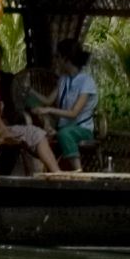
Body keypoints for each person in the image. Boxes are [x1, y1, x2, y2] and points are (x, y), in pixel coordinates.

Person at [39, 38, 100, 169]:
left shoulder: (86, 82)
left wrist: (49, 110)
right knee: (42, 136)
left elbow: (73, 113)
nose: (56, 61)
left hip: (82, 129)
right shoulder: (63, 80)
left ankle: (78, 171)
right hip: (62, 128)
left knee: (64, 133)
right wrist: (30, 92)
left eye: (58, 57)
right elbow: (48, 101)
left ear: (66, 59)